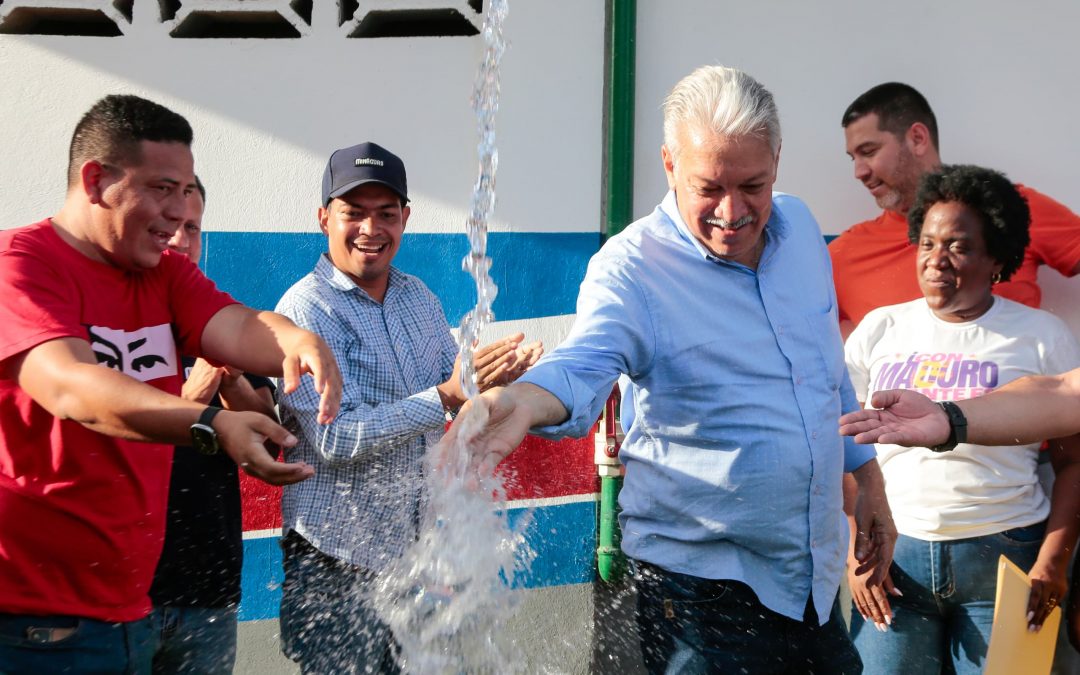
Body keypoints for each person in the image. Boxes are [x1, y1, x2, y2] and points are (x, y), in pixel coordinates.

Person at [444, 65, 896, 674]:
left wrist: (867, 477)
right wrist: (525, 400)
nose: (732, 212)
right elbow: (585, 361)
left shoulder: (804, 233)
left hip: (810, 585)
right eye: (709, 187)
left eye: (753, 185)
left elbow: (825, 373)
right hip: (698, 599)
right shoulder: (632, 269)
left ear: (778, 161)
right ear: (668, 165)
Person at [0, 94, 341, 674]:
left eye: (186, 192)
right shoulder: (20, 264)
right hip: (32, 623)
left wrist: (295, 339)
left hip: (132, 608)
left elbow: (233, 324)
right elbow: (71, 387)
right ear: (95, 180)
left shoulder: (163, 273)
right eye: (163, 188)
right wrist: (212, 425)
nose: (181, 212)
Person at [274, 141, 542, 674]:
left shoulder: (418, 298)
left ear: (405, 219)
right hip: (334, 567)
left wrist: (498, 383)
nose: (371, 229)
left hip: (407, 563)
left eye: (386, 214)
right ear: (324, 216)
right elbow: (334, 438)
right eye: (354, 212)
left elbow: (458, 392)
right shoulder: (304, 310)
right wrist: (446, 395)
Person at [842, 164, 1080, 673]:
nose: (936, 261)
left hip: (1005, 561)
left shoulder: (1041, 336)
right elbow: (846, 451)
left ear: (997, 257)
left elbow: (1074, 466)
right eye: (927, 244)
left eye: (958, 246)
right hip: (893, 563)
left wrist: (1054, 562)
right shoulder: (880, 328)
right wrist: (853, 552)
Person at [149, 178, 277, 674]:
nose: (181, 239)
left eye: (192, 228)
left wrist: (234, 381)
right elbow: (115, 434)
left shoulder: (218, 321)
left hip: (209, 590)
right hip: (128, 593)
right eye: (169, 226)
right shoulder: (113, 326)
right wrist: (195, 394)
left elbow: (269, 429)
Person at [829, 82, 1080, 334]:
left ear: (917, 138)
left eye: (869, 151)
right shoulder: (844, 254)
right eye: (854, 158)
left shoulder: (1004, 208)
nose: (859, 172)